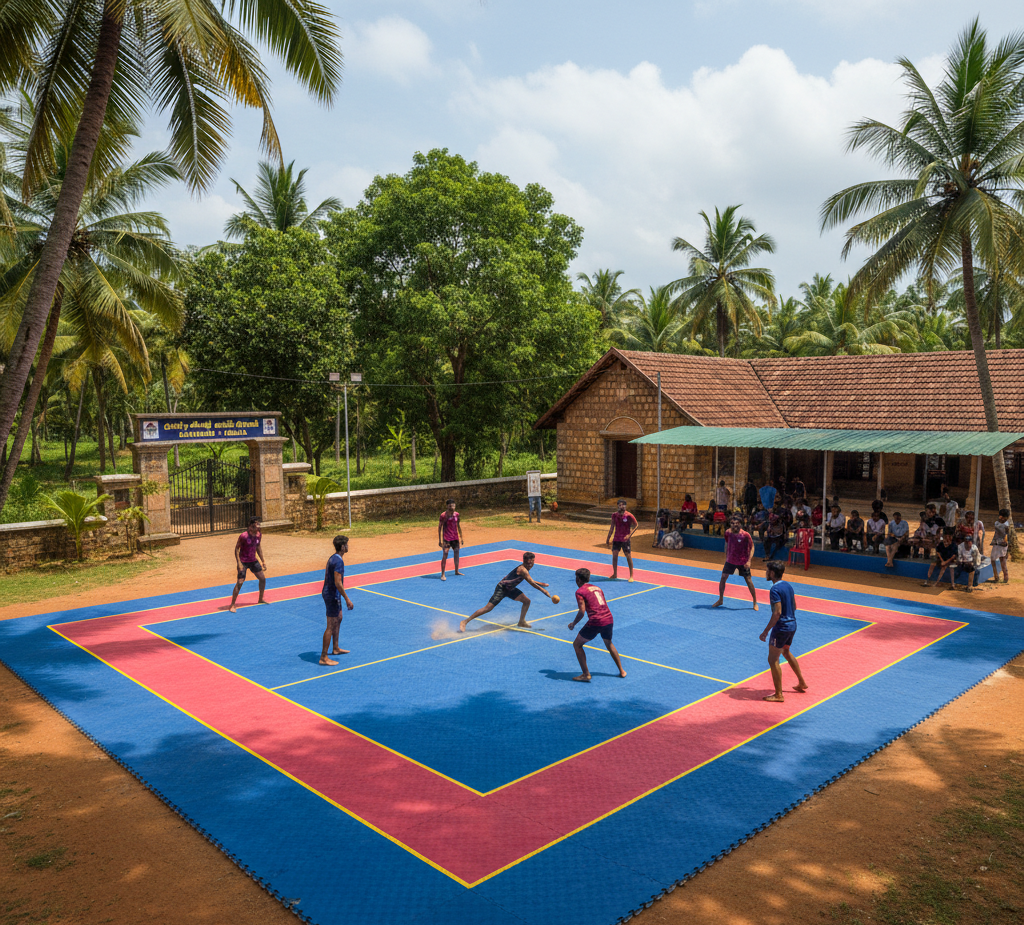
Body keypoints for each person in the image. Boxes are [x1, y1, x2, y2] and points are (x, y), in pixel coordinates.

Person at [460, 552, 551, 632]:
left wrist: (540, 583)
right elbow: (530, 581)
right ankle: (465, 621)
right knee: (488, 608)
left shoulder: (526, 569)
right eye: (529, 563)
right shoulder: (523, 569)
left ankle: (521, 622)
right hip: (502, 589)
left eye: (533, 562)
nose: (531, 565)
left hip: (510, 589)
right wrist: (543, 590)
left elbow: (529, 579)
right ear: (524, 561)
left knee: (527, 601)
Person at [759, 560, 808, 703]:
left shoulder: (774, 590)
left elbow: (777, 613)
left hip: (781, 628)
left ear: (772, 573)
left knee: (772, 659)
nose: (766, 573)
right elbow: (795, 607)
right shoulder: (788, 586)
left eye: (767, 571)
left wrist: (766, 631)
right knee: (786, 652)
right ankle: (801, 682)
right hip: (792, 625)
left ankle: (779, 695)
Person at [567, 568, 627, 682]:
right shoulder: (598, 588)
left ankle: (586, 674)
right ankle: (622, 671)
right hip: (609, 619)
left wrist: (574, 623)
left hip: (596, 621)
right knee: (609, 643)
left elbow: (582, 611)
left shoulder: (580, 591)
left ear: (578, 579)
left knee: (577, 645)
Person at [320, 535, 354, 665]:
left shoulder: (333, 558)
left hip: (332, 594)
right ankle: (323, 657)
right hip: (332, 595)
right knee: (330, 625)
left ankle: (335, 648)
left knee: (339, 618)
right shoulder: (339, 561)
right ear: (342, 546)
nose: (348, 546)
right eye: (346, 544)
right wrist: (347, 599)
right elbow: (338, 583)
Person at [713, 517, 758, 610]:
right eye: (732, 523)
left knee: (748, 580)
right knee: (723, 578)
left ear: (740, 524)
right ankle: (720, 599)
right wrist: (726, 556)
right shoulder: (727, 533)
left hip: (743, 561)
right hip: (730, 561)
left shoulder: (745, 535)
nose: (734, 525)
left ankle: (755, 602)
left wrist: (749, 560)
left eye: (736, 523)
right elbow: (726, 543)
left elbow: (752, 547)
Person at [229, 517, 267, 612]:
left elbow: (258, 547)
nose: (257, 527)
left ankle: (260, 599)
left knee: (262, 579)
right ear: (250, 527)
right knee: (240, 582)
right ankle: (233, 605)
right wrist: (239, 563)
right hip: (243, 562)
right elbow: (236, 549)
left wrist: (263, 561)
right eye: (255, 525)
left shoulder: (258, 535)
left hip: (253, 561)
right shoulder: (244, 536)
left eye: (258, 525)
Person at [606, 498, 638, 580]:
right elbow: (612, 527)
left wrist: (629, 535)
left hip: (625, 539)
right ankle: (615, 573)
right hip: (616, 538)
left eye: (623, 505)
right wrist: (608, 538)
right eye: (619, 505)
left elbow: (636, 525)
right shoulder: (614, 515)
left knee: (628, 555)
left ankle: (631, 576)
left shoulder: (629, 515)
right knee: (615, 555)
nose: (621, 506)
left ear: (625, 506)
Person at [437, 498, 465, 580]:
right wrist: (440, 540)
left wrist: (461, 537)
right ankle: (442, 574)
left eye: (453, 505)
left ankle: (456, 571)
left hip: (455, 538)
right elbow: (439, 528)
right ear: (447, 507)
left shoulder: (457, 514)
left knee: (456, 553)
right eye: (450, 506)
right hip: (447, 538)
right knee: (445, 554)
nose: (452, 507)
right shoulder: (443, 516)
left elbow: (458, 526)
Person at [990, 508, 1011, 584]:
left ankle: (1001, 577)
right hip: (998, 544)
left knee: (1000, 561)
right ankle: (1000, 577)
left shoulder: (1000, 524)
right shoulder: (1005, 524)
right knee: (998, 560)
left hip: (1000, 544)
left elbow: (1005, 534)